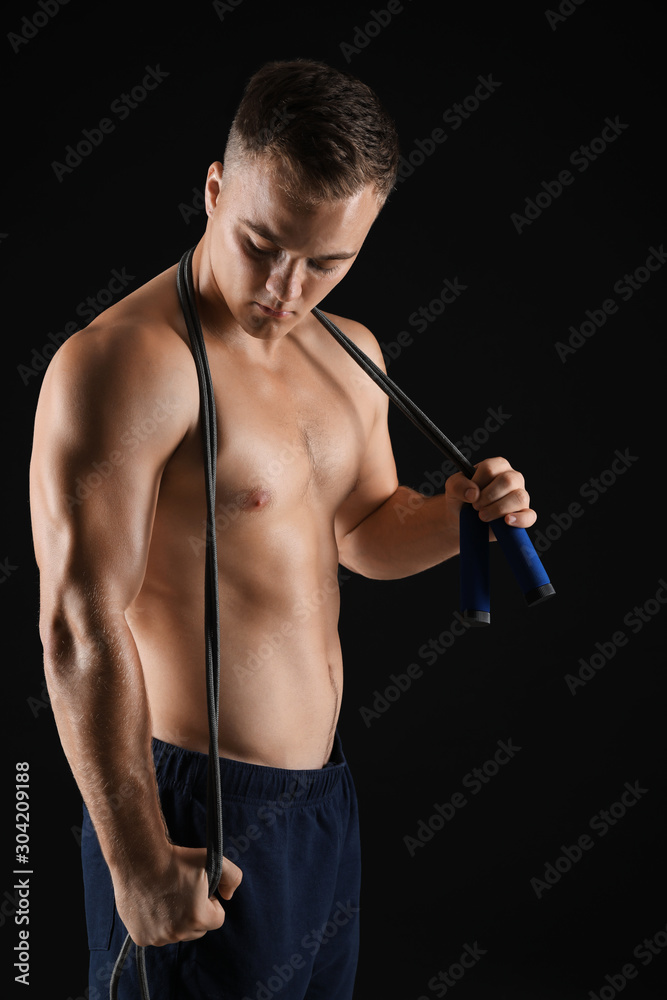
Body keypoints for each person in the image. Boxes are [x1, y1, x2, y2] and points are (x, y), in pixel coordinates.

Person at [29, 59, 536, 998]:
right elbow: (76, 623)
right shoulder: (125, 366)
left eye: (326, 261)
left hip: (318, 806)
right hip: (190, 806)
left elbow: (365, 531)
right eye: (261, 244)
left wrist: (458, 518)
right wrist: (135, 855)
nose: (285, 287)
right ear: (216, 190)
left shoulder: (350, 355)